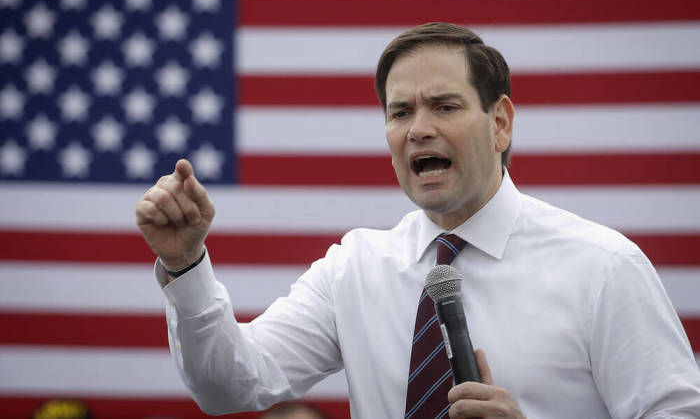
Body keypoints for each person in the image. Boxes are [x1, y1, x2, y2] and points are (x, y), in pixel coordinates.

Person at [136, 23, 700, 418]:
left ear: (500, 123)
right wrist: (185, 265)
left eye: (445, 106)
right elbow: (228, 384)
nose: (418, 129)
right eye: (400, 112)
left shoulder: (602, 268)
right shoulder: (355, 267)